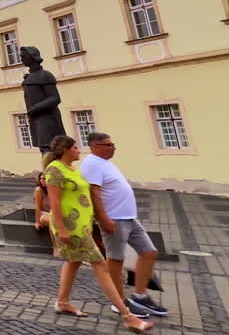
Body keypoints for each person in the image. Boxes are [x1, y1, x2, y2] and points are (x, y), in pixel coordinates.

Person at [43, 135, 152, 332]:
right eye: (75, 147)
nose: (79, 150)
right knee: (101, 266)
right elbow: (55, 202)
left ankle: (62, 302)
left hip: (83, 224)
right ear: (65, 149)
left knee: (73, 262)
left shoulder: (73, 169)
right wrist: (61, 229)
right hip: (71, 226)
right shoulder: (54, 170)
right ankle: (127, 315)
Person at [81, 132, 169, 319]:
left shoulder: (106, 164)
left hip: (129, 217)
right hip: (113, 218)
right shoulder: (91, 164)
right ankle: (119, 302)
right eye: (108, 144)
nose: (113, 147)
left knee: (149, 252)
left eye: (113, 144)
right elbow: (94, 193)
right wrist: (103, 219)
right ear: (95, 146)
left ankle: (140, 296)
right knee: (115, 259)